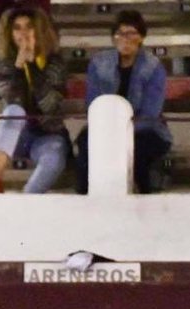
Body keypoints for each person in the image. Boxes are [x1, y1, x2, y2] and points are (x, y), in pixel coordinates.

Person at [0, 6, 69, 194]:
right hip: (16, 136)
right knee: (13, 111)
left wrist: (32, 65)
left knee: (55, 154)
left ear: (39, 31)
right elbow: (14, 101)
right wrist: (19, 66)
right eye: (17, 28)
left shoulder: (55, 64)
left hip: (47, 133)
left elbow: (48, 105)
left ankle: (27, 200)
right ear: (10, 34)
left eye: (29, 27)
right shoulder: (4, 67)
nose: (23, 33)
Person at [75, 10, 172, 195]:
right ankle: (83, 198)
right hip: (104, 128)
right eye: (120, 34)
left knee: (137, 152)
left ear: (141, 38)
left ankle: (145, 202)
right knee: (85, 144)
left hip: (145, 129)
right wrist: (109, 133)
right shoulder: (98, 63)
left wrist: (119, 135)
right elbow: (93, 104)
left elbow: (151, 113)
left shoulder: (154, 67)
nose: (125, 39)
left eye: (131, 34)